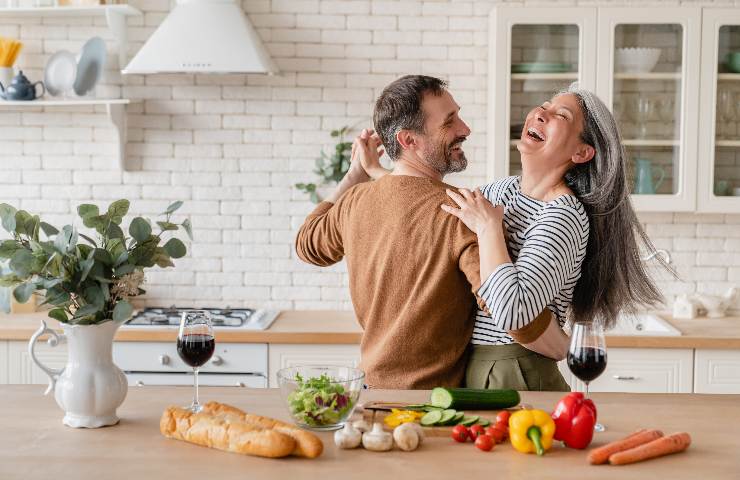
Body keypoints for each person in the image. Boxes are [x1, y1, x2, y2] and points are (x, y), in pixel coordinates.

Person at [361, 85, 668, 391]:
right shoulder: (502, 191)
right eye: (544, 105)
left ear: (581, 152)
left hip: (517, 369)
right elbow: (440, 208)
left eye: (560, 115)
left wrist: (489, 230)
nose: (540, 114)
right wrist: (380, 172)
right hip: (471, 366)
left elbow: (514, 312)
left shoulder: (563, 216)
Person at [295, 75, 545, 389]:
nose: (465, 129)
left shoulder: (355, 201)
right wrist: (563, 344)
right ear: (408, 140)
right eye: (449, 122)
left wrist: (353, 176)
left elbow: (307, 245)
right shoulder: (460, 212)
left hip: (370, 395)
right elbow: (509, 312)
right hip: (432, 405)